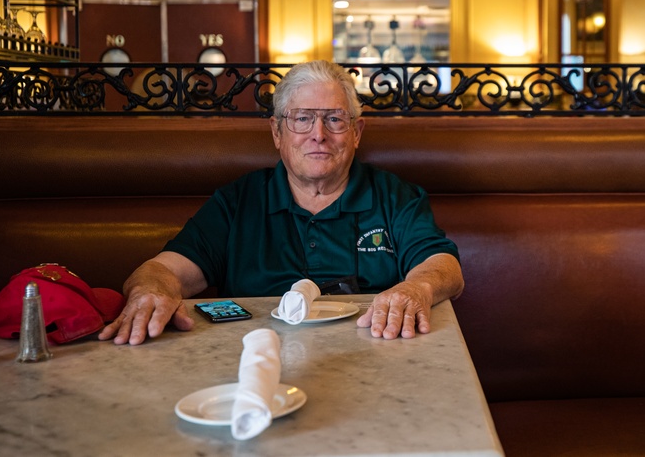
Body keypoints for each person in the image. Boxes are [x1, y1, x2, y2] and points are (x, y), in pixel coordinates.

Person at [99, 60, 463, 345]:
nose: (318, 135)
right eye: (302, 119)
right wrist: (153, 291)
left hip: (377, 357)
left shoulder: (394, 195)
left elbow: (443, 264)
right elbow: (164, 270)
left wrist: (415, 288)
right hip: (255, 361)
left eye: (334, 119)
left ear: (356, 133)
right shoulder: (237, 201)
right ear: (277, 132)